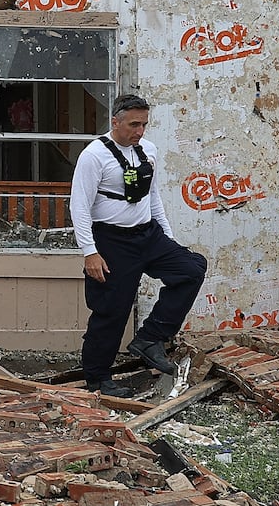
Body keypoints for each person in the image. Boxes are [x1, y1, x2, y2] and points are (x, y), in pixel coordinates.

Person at [69, 93, 206, 397]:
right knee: (111, 310)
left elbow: (152, 196)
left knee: (191, 268)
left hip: (148, 234)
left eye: (144, 124)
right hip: (112, 240)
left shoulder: (148, 150)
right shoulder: (94, 155)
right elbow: (79, 206)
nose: (139, 131)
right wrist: (89, 251)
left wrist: (167, 238)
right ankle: (98, 379)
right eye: (133, 124)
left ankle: (150, 337)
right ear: (115, 122)